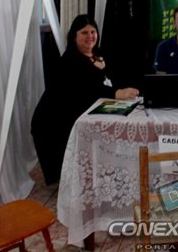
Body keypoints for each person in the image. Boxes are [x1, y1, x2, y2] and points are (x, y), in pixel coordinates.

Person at [31, 14, 139, 185]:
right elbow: (86, 89)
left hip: (86, 111)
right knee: (73, 174)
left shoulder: (99, 54)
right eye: (84, 33)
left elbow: (110, 80)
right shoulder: (69, 61)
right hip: (54, 119)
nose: (90, 36)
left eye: (93, 32)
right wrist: (117, 93)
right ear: (74, 36)